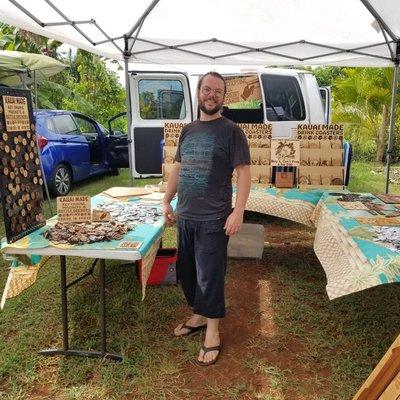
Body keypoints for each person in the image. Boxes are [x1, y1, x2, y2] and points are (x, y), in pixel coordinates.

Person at [162, 71, 251, 366]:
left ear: (224, 98)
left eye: (217, 92)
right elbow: (177, 168)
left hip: (214, 218)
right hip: (185, 214)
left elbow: (244, 173)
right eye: (206, 90)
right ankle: (199, 315)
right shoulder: (188, 130)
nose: (211, 95)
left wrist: (238, 211)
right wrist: (166, 199)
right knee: (187, 272)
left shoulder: (231, 131)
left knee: (210, 275)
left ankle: (213, 331)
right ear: (198, 92)